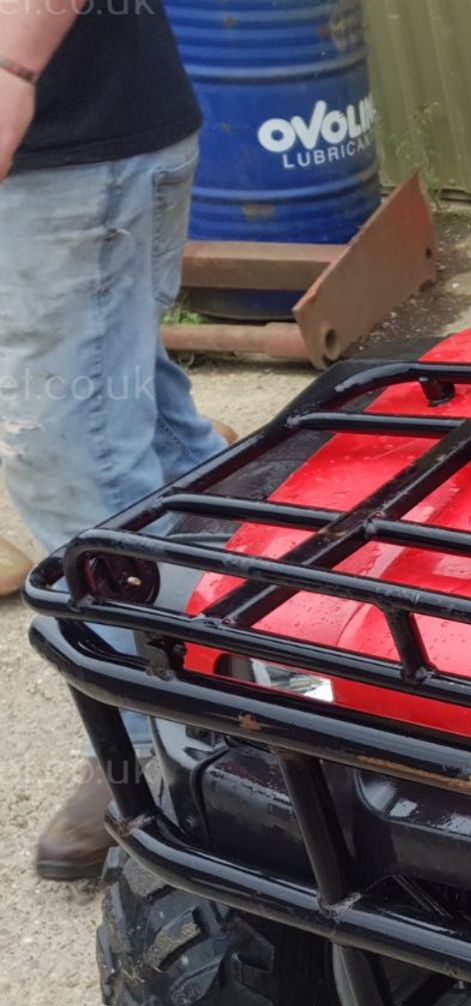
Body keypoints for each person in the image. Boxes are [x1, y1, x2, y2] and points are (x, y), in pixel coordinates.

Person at [0, 0, 231, 880]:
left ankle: (162, 754)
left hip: (64, 142)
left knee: (75, 461)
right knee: (152, 427)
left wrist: (12, 73)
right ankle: (258, 684)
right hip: (88, 135)